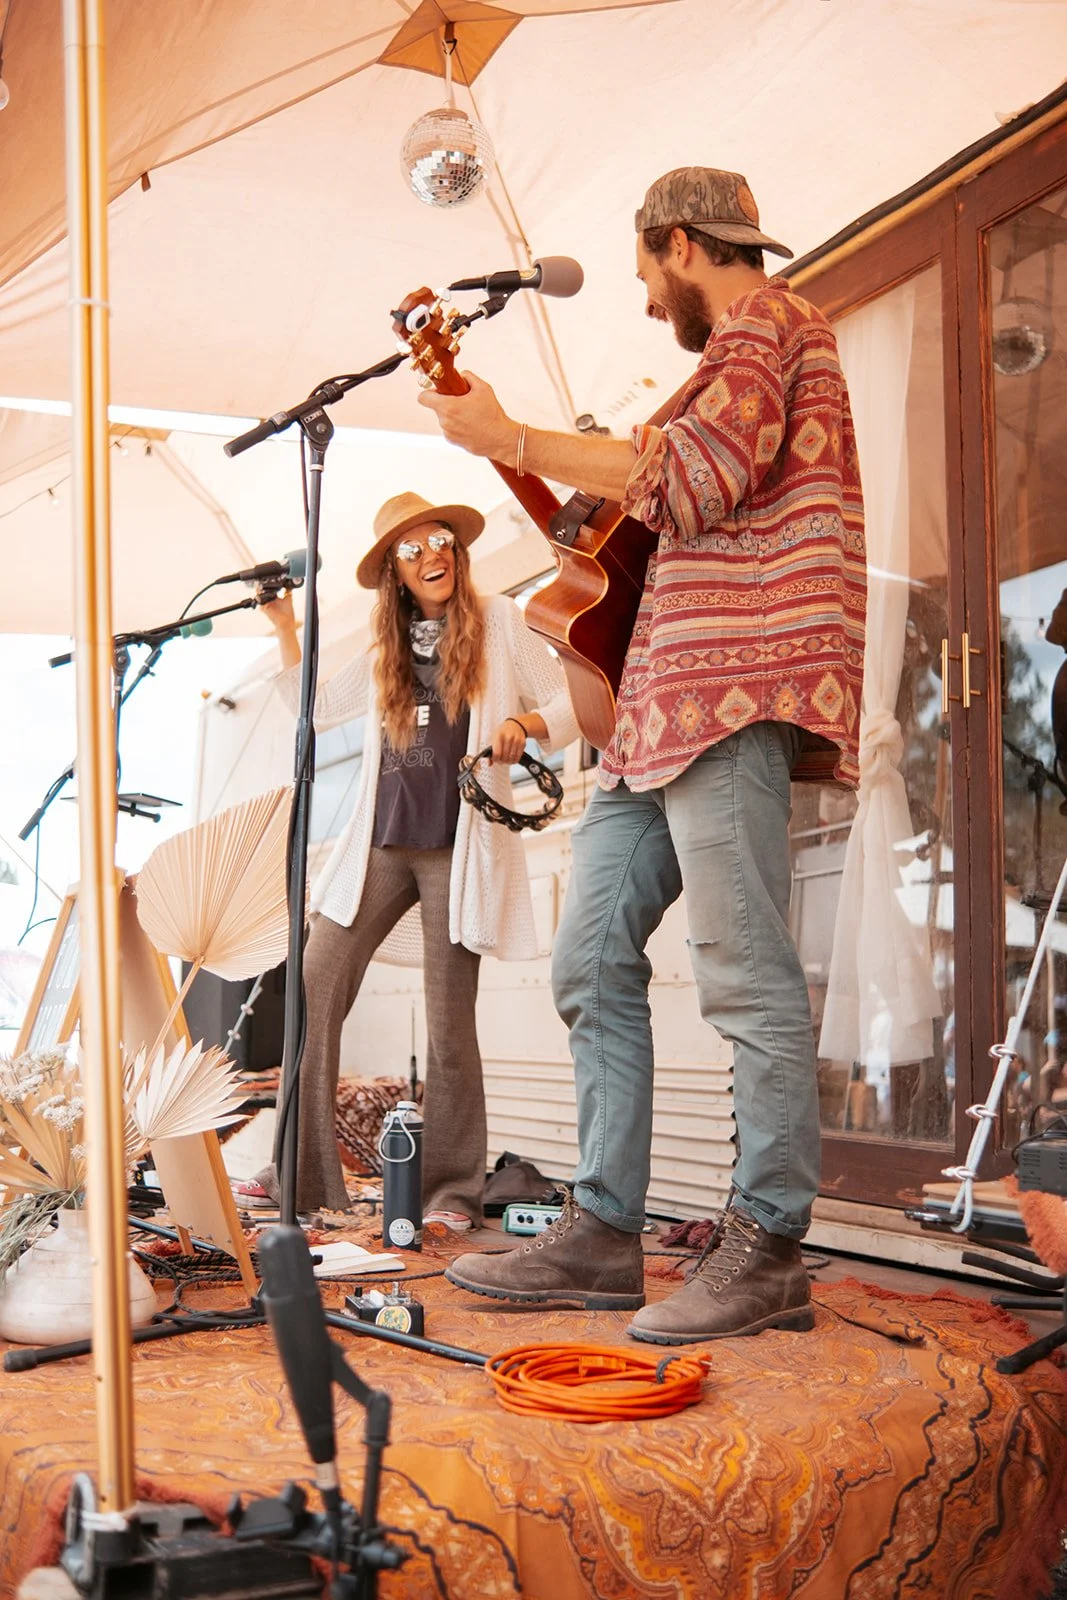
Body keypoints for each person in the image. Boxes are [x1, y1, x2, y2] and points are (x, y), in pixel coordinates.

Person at [418, 167, 866, 1341]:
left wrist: (511, 431)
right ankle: (603, 1235)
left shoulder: (768, 322)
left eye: (644, 272)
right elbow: (635, 513)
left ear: (678, 243)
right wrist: (522, 453)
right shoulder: (714, 368)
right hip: (655, 713)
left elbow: (693, 477)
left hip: (727, 689)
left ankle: (766, 1244)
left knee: (741, 971)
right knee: (586, 961)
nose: (644, 295)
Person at [239, 491, 578, 1227]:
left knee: (450, 1023)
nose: (433, 556)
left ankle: (450, 1193)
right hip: (379, 848)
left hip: (458, 851)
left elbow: (574, 704)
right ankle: (300, 1179)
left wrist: (525, 721)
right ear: (394, 571)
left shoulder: (500, 625)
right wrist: (286, 626)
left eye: (442, 542)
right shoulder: (386, 651)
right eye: (414, 548)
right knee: (314, 986)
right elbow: (318, 710)